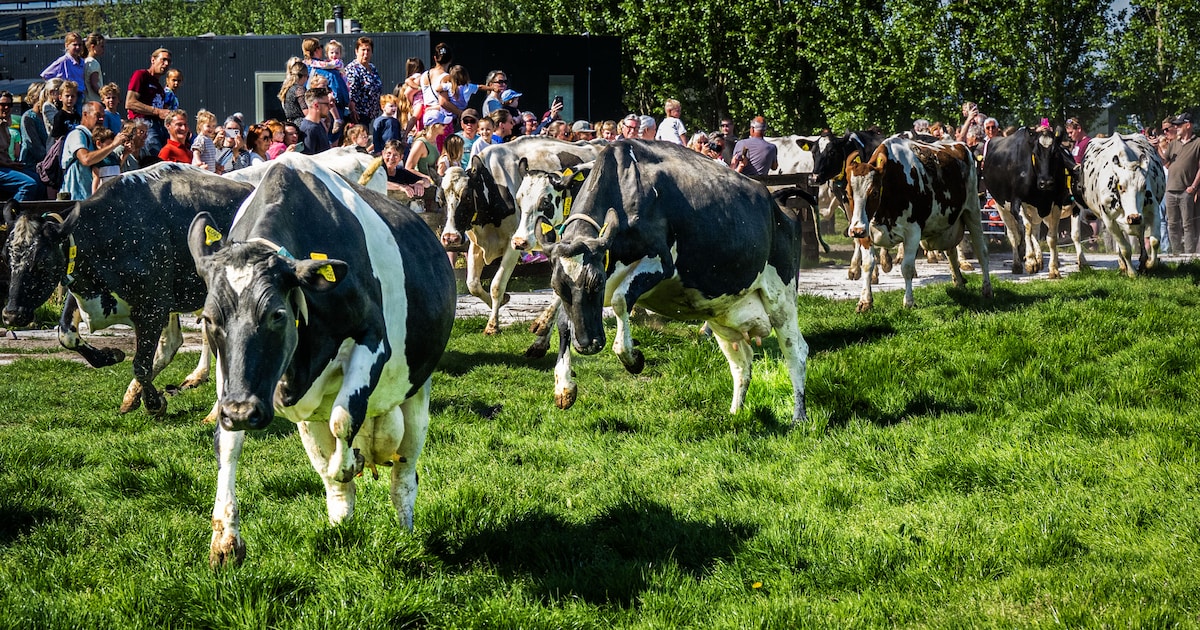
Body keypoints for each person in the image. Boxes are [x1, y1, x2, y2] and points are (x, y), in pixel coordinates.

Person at [61, 101, 127, 200]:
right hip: (76, 199)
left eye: (103, 116)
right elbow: (86, 159)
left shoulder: (93, 137)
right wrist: (113, 145)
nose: (101, 119)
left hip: (92, 199)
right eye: (98, 115)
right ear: (85, 115)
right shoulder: (77, 134)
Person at [1159, 112, 1200, 254]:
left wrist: (1193, 187)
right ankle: (1176, 254)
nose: (1176, 128)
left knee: (1188, 224)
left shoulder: (1197, 143)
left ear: (1188, 125)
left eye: (1179, 125)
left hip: (1186, 190)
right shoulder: (1174, 144)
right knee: (1172, 224)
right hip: (1170, 190)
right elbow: (1165, 162)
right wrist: (1156, 148)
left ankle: (1189, 255)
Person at [126, 48, 173, 157]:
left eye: (169, 62)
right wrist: (157, 111)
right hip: (144, 124)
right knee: (154, 158)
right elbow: (130, 102)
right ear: (153, 60)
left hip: (159, 126)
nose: (166, 64)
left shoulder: (160, 87)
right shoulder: (141, 75)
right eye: (163, 60)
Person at [0, 91, 39, 202]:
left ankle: (34, 214)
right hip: (2, 168)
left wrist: (11, 164)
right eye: (2, 105)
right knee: (28, 184)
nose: (6, 107)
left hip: (5, 167)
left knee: (39, 180)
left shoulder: (5, 125)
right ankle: (11, 216)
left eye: (9, 105)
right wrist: (8, 164)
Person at [405, 122, 443, 211]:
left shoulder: (435, 142)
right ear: (434, 126)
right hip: (422, 195)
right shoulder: (421, 143)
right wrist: (427, 178)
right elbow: (408, 168)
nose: (446, 126)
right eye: (443, 124)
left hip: (433, 192)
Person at [345, 36, 382, 125]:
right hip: (358, 115)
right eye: (363, 50)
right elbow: (351, 93)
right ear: (356, 51)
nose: (366, 53)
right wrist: (353, 111)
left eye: (368, 50)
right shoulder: (352, 69)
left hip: (371, 114)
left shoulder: (372, 68)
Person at [19, 82, 48, 170]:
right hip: (31, 165)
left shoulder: (48, 115)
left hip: (49, 164)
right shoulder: (28, 117)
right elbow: (34, 146)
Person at [299, 86, 333, 154]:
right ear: (316, 105)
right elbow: (308, 158)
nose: (330, 107)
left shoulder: (318, 124)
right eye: (326, 104)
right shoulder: (309, 129)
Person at [88, 126, 122, 194]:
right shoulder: (99, 160)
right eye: (109, 144)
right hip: (103, 193)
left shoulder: (113, 157)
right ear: (98, 143)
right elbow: (96, 177)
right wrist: (94, 196)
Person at [278, 57, 309, 126]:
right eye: (307, 77)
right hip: (301, 124)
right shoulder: (299, 89)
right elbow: (305, 109)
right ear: (304, 76)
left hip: (291, 123)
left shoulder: (288, 87)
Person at [82, 33, 106, 104]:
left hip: (87, 100)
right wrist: (104, 95)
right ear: (93, 47)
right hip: (95, 101)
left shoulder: (85, 61)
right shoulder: (93, 62)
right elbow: (94, 84)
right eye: (101, 46)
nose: (103, 49)